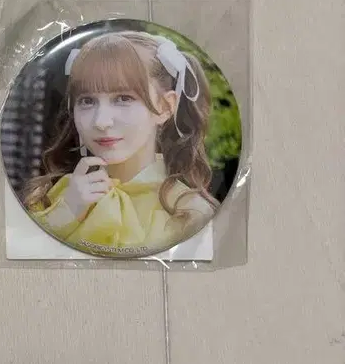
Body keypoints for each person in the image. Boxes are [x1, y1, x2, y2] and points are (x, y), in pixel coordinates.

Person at [23, 31, 217, 254]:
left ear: (165, 107)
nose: (101, 121)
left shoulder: (192, 213)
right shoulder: (53, 197)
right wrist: (65, 213)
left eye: (124, 98)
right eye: (87, 101)